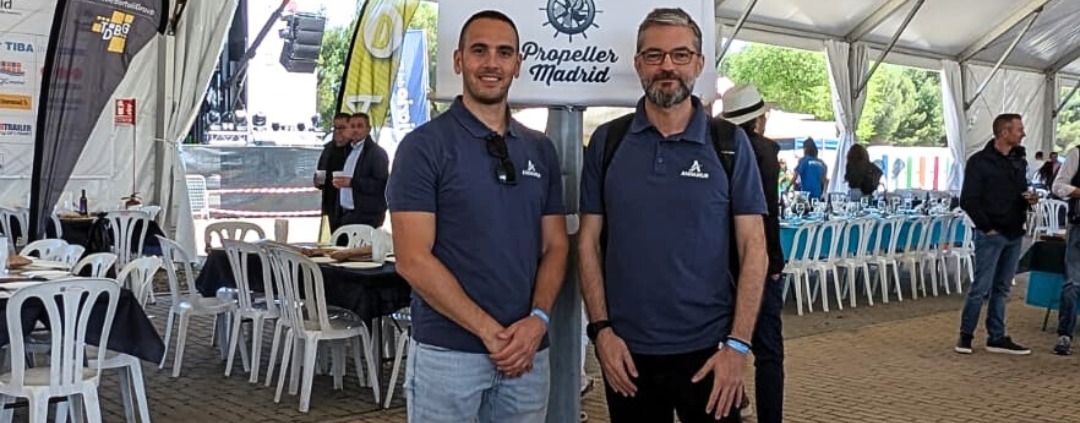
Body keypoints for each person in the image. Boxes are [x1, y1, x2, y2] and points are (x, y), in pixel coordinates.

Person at [579, 8, 767, 423]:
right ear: (638, 64)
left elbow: (755, 248)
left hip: (711, 354)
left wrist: (738, 346)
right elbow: (588, 243)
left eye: (681, 55)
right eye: (654, 55)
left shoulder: (730, 144)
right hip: (627, 354)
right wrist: (601, 333)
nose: (667, 66)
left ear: (699, 64)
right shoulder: (607, 143)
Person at [386, 10, 569, 423]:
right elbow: (412, 259)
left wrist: (537, 321)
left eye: (504, 53)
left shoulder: (540, 149)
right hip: (448, 355)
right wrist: (491, 332)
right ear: (458, 60)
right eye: (479, 51)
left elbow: (556, 246)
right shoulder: (423, 147)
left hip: (527, 355)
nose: (492, 63)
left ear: (518, 64)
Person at [720, 83, 785, 423]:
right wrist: (774, 262)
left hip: (719, 265)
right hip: (757, 262)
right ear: (758, 118)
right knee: (769, 351)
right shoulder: (764, 153)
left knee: (723, 344)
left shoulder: (715, 148)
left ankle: (731, 408)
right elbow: (767, 215)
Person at [957, 113, 1039, 355]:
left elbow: (1019, 191)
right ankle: (966, 335)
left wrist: (1028, 199)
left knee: (1002, 288)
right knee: (980, 287)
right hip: (991, 233)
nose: (1022, 133)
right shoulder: (979, 162)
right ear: (1004, 132)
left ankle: (997, 336)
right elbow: (968, 199)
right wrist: (986, 227)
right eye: (1018, 129)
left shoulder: (1019, 161)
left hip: (1014, 231)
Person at [333, 112, 389, 228]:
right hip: (346, 213)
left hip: (366, 215)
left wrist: (352, 182)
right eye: (352, 126)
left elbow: (381, 184)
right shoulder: (349, 150)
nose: (355, 130)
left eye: (359, 126)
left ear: (368, 129)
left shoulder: (376, 153)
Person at [1052, 146, 1080, 355]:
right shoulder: (1076, 154)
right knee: (1073, 282)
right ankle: (1065, 334)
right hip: (1078, 227)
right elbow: (1058, 186)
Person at [315, 113, 352, 232]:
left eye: (341, 128)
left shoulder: (356, 150)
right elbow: (320, 171)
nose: (337, 131)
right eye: (335, 128)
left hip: (351, 207)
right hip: (331, 204)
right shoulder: (328, 149)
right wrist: (318, 181)